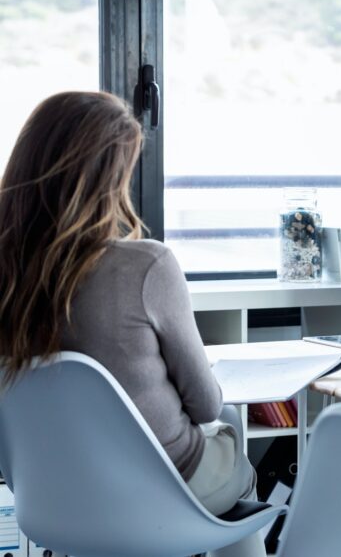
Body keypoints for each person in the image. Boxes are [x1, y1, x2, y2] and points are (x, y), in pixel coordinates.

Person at [0, 92, 264, 557]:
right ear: (109, 178)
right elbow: (204, 405)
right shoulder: (146, 266)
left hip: (52, 497)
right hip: (164, 490)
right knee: (230, 436)